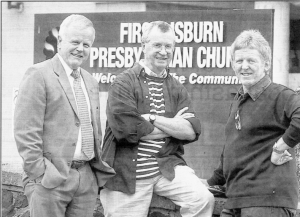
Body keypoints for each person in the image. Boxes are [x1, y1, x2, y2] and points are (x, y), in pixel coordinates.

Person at [100, 21, 215, 217]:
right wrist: (172, 127)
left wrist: (151, 119)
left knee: (203, 199)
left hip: (167, 167)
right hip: (128, 173)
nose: (163, 51)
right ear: (143, 46)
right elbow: (128, 131)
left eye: (168, 46)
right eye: (157, 45)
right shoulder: (123, 83)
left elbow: (191, 130)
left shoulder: (177, 87)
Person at [14, 14, 115, 217]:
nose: (81, 48)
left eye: (86, 44)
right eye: (75, 42)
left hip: (86, 180)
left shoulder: (90, 82)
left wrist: (92, 177)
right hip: (50, 181)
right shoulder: (38, 74)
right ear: (60, 41)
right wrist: (41, 172)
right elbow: (26, 132)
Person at [205, 29, 300, 217]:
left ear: (266, 65)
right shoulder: (240, 99)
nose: (244, 66)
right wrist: (209, 183)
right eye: (239, 61)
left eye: (251, 60)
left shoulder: (280, 95)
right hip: (235, 200)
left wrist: (280, 147)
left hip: (267, 202)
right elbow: (232, 149)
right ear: (233, 64)